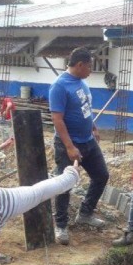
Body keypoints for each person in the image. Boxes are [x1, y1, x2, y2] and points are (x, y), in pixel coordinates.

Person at [49, 47, 109, 245]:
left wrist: (93, 127)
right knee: (65, 184)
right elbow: (57, 119)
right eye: (90, 66)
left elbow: (85, 109)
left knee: (101, 176)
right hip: (69, 143)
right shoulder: (59, 86)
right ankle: (60, 225)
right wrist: (69, 146)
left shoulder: (82, 83)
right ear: (80, 65)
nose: (91, 70)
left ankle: (85, 213)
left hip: (88, 140)